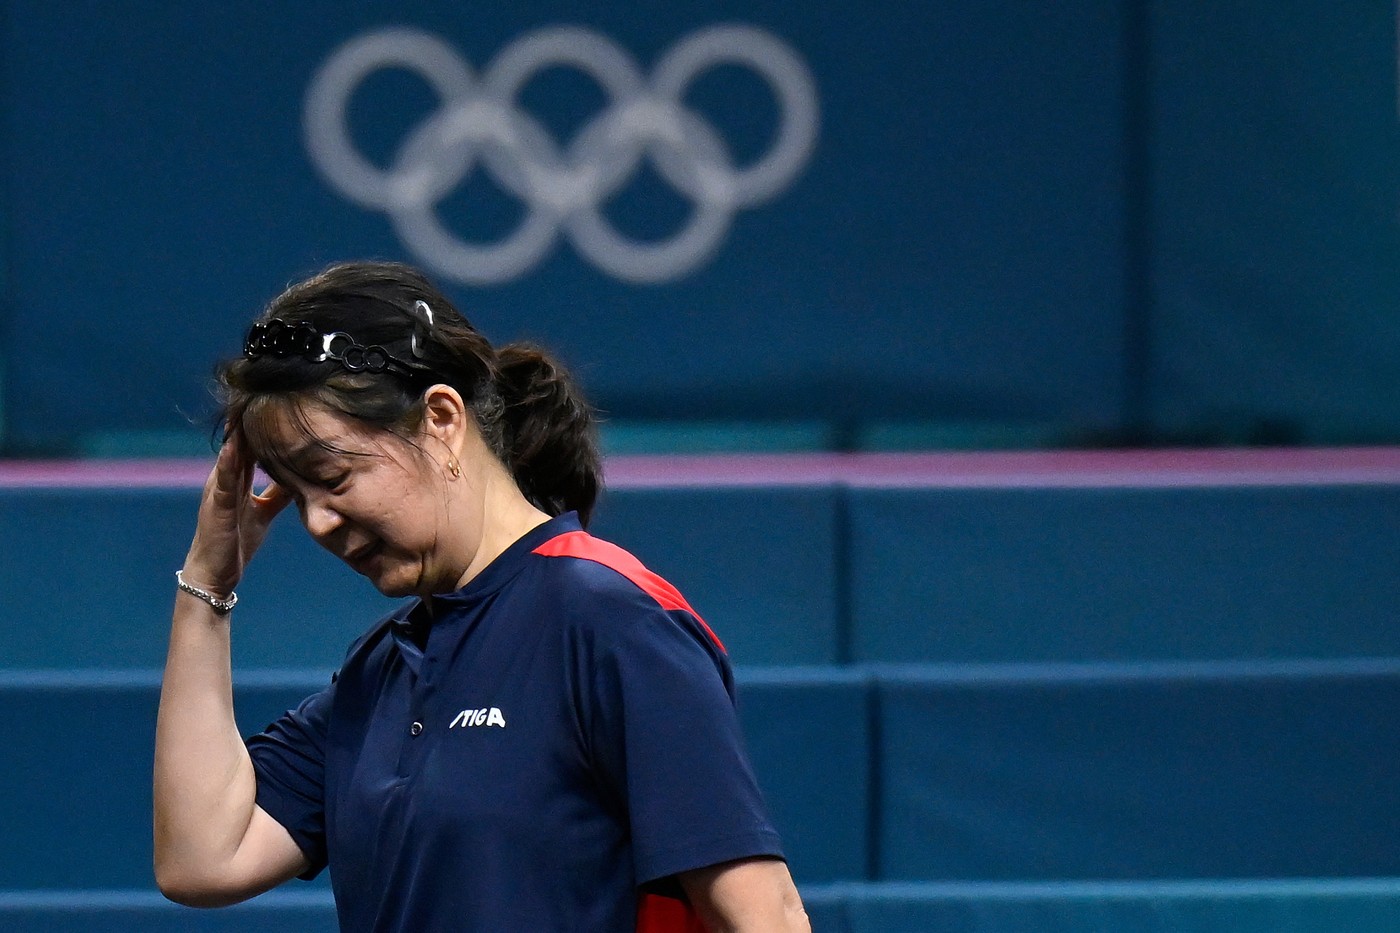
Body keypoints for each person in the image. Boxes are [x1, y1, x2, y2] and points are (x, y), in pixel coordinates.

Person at [153, 261, 810, 932]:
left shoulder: (609, 618)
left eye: (333, 476)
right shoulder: (380, 669)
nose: (318, 522)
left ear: (440, 418)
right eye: (297, 494)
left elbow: (765, 916)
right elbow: (202, 858)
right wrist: (207, 583)